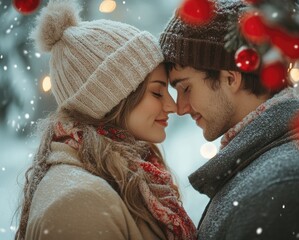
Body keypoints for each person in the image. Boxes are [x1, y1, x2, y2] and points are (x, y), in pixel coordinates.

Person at [159, 0, 299, 239]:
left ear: (231, 78)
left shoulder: (285, 188)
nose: (180, 108)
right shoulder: (271, 167)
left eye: (186, 88)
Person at [15, 1, 197, 239]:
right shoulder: (79, 205)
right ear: (112, 100)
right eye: (156, 92)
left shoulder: (124, 176)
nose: (172, 106)